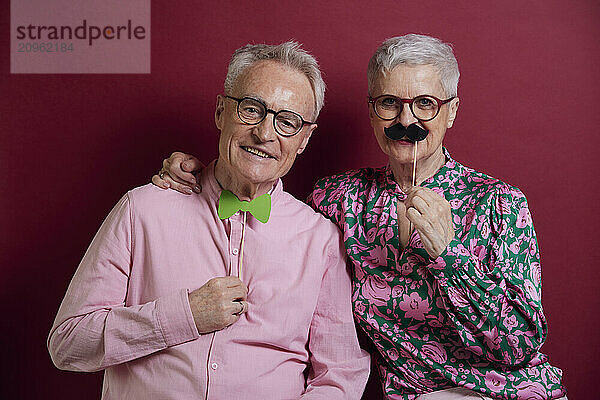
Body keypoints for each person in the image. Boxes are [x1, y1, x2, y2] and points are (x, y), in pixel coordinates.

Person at [154, 34, 567, 399]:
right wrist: (201, 173)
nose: (406, 121)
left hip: (504, 392)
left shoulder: (498, 202)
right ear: (372, 111)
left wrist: (449, 253)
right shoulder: (337, 199)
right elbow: (267, 202)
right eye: (390, 103)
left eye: (425, 104)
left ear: (451, 111)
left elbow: (521, 345)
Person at [48, 41, 370, 400]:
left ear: (305, 139)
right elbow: (68, 344)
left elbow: (340, 375)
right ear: (220, 112)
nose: (265, 134)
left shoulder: (321, 239)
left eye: (287, 122)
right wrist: (183, 315)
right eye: (251, 109)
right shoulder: (142, 209)